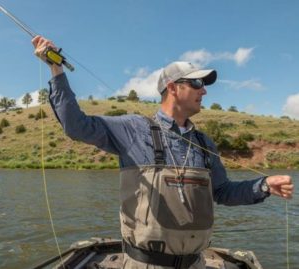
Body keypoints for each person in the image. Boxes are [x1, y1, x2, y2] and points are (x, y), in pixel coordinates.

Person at [32, 36, 294, 269]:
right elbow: (76, 126)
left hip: (196, 263)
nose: (204, 90)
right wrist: (56, 69)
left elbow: (222, 192)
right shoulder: (131, 129)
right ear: (172, 87)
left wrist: (264, 186)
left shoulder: (205, 143)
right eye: (196, 83)